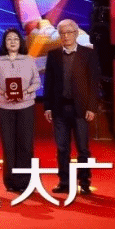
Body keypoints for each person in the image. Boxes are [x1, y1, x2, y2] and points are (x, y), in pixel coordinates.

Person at [43, 19, 100, 196]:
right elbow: (49, 83)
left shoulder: (88, 54)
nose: (66, 36)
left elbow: (94, 83)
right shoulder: (53, 55)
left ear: (76, 33)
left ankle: (84, 182)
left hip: (81, 109)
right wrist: (47, 107)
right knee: (62, 148)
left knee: (83, 148)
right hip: (59, 109)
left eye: (69, 32)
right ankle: (64, 182)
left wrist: (92, 107)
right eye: (62, 33)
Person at [0, 27, 40, 194]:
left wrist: (26, 92)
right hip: (5, 109)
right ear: (5, 43)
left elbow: (36, 82)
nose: (12, 42)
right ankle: (10, 181)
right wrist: (3, 93)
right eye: (9, 39)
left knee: (25, 144)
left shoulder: (29, 60)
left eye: (16, 39)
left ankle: (25, 181)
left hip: (26, 107)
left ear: (21, 42)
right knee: (9, 145)